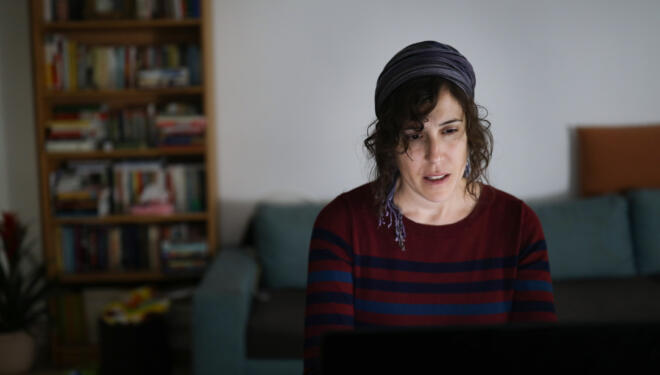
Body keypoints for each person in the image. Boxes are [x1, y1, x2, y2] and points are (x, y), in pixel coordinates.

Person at [303, 41, 557, 373]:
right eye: (414, 135)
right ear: (388, 143)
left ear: (470, 134)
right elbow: (323, 363)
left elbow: (541, 358)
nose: (435, 155)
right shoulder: (340, 225)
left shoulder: (518, 224)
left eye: (450, 130)